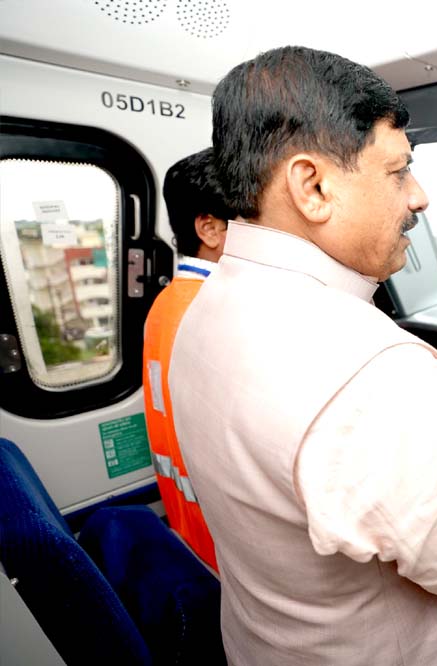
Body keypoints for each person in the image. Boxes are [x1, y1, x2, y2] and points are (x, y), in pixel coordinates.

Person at [168, 46, 437, 665]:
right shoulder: (379, 372)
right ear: (312, 187)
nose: (419, 197)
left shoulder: (202, 309)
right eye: (398, 172)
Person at [142, 148, 234, 572]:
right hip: (232, 553)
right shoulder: (220, 316)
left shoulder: (168, 303)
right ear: (209, 229)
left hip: (190, 533)